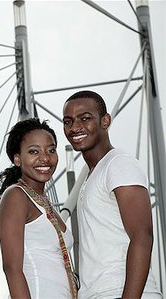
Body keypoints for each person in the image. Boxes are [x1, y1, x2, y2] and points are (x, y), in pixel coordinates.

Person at [62, 90, 162, 298]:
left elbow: (142, 236)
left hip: (120, 292)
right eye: (68, 121)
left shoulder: (118, 164)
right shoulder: (92, 175)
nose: (75, 128)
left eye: (85, 118)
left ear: (105, 121)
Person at [0, 118, 77, 299]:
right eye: (34, 151)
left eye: (51, 150)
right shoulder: (17, 196)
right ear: (17, 158)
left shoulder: (44, 202)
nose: (45, 158)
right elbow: (11, 268)